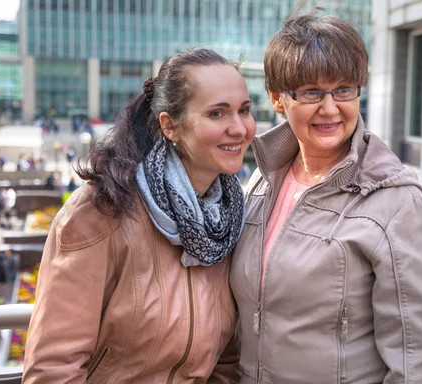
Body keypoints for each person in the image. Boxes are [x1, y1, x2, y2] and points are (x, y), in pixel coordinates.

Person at [229, 5, 422, 384]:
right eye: (312, 91)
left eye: (344, 89)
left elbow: (419, 363)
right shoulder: (262, 181)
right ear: (278, 98)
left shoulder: (397, 204)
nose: (330, 108)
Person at [23, 48, 255, 383]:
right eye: (217, 114)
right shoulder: (101, 212)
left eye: (244, 110)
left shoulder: (228, 222)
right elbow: (53, 369)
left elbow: (226, 363)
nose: (239, 128)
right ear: (169, 126)